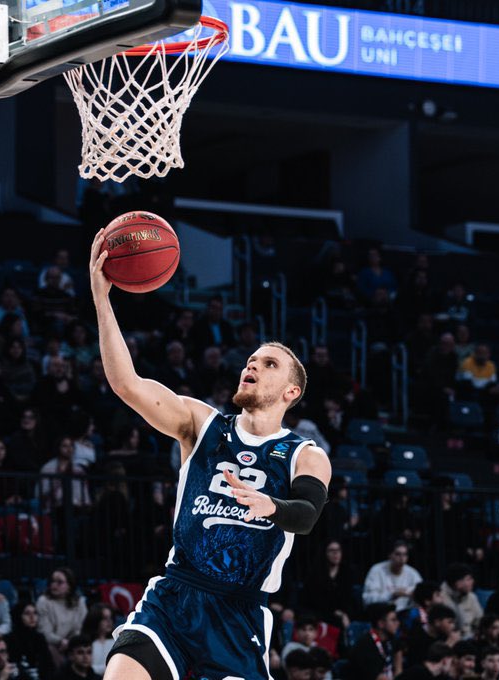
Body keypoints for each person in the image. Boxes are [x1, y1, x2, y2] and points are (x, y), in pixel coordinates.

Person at [88, 228, 331, 680]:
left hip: (238, 616)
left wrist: (270, 505)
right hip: (174, 598)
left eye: (269, 364)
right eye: (251, 359)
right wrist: (102, 299)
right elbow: (127, 385)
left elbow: (306, 516)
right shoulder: (203, 424)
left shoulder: (305, 454)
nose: (252, 364)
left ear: (291, 392)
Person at [36, 567, 88, 668]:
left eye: (59, 582)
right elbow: (45, 633)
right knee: (50, 648)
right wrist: (61, 641)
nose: (54, 585)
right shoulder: (43, 601)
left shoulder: (79, 603)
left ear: (69, 586)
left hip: (72, 644)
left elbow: (79, 629)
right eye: (52, 581)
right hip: (51, 644)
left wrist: (70, 642)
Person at [363, 540, 423, 612]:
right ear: (390, 555)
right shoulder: (377, 570)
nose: (402, 558)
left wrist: (414, 596)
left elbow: (422, 597)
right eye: (398, 554)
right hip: (383, 613)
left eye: (405, 554)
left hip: (406, 613)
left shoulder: (412, 573)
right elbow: (367, 599)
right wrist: (391, 595)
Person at [348, 602, 403, 680]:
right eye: (393, 620)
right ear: (381, 624)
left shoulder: (392, 639)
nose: (398, 623)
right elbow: (376, 677)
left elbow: (398, 663)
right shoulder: (364, 646)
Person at [5, 602, 54, 680]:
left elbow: (48, 665)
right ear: (18, 616)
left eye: (35, 613)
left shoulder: (39, 638)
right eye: (27, 613)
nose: (32, 617)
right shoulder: (9, 639)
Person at [440, 563, 483, 640]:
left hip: (471, 638)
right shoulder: (441, 599)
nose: (472, 581)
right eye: (468, 579)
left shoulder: (471, 597)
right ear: (458, 583)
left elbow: (480, 620)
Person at [81, 604, 116, 677]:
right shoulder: (86, 643)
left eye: (110, 618)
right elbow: (84, 666)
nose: (109, 621)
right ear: (95, 620)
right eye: (105, 618)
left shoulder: (116, 642)